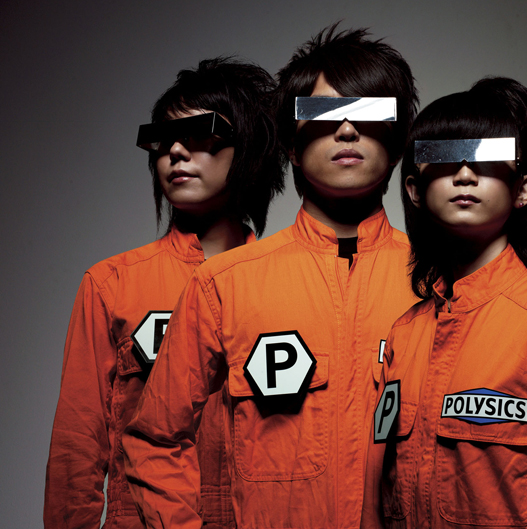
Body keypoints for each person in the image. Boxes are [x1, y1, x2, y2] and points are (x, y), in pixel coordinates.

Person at [122, 25, 419, 528]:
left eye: (368, 114)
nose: (347, 130)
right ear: (290, 146)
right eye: (323, 115)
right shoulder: (225, 283)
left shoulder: (441, 282)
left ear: (396, 143)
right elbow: (154, 438)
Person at [362, 77, 527, 529]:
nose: (464, 173)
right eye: (442, 157)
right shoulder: (404, 334)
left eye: (485, 156)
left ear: (524, 190)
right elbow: (378, 494)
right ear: (416, 191)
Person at [44, 57, 283, 529]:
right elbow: (78, 446)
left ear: (250, 148)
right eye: (161, 140)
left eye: (199, 133)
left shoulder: (288, 284)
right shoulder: (113, 284)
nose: (174, 151)